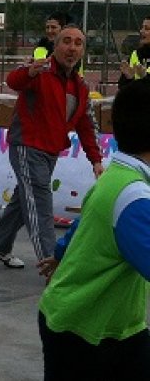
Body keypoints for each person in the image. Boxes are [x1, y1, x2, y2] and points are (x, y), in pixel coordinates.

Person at [36, 79, 150, 380]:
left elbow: (83, 222)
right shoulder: (134, 197)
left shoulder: (118, 175)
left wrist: (61, 253)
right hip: (81, 331)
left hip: (119, 327)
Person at [0, 25, 103, 271]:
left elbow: (86, 126)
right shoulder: (39, 71)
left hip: (51, 151)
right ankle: (52, 263)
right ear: (56, 45)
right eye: (66, 41)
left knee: (23, 199)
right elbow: (13, 80)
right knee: (39, 202)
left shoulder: (80, 87)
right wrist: (29, 71)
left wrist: (96, 160)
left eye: (78, 43)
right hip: (27, 146)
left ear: (83, 50)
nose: (72, 47)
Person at [117, 15, 150, 88]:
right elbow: (122, 88)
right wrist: (129, 78)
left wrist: (144, 77)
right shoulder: (136, 54)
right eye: (142, 27)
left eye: (147, 29)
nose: (142, 31)